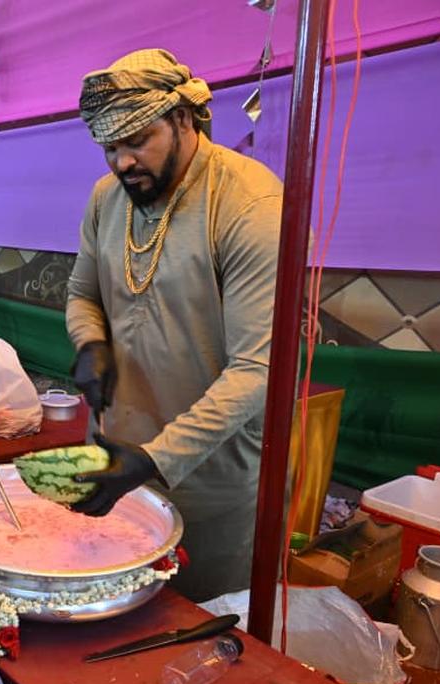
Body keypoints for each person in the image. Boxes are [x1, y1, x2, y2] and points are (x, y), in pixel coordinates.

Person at [64, 49, 283, 601]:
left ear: (183, 118)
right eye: (110, 147)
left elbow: (258, 371)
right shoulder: (105, 198)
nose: (122, 163)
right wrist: (91, 342)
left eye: (137, 140)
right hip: (114, 458)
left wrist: (156, 459)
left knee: (200, 639)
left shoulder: (249, 206)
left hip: (210, 482)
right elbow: (81, 294)